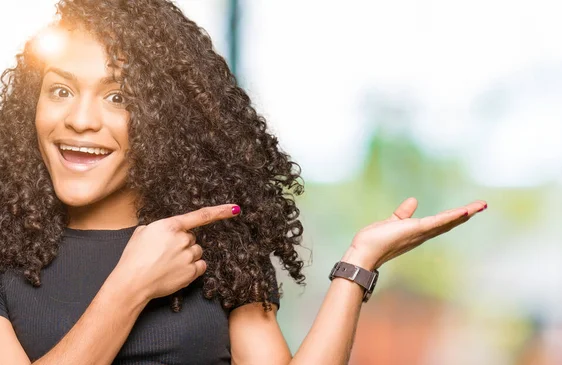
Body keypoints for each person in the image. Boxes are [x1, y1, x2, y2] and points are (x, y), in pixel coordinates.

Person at [0, 0, 487, 364]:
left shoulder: (216, 245)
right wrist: (130, 286)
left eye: (118, 98)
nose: (80, 120)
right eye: (60, 90)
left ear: (165, 118)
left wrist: (359, 263)